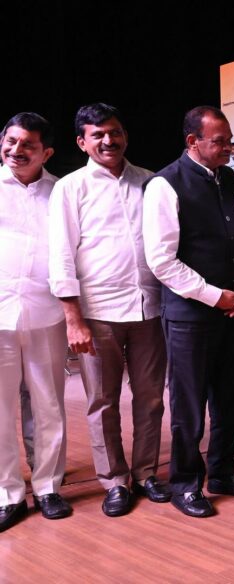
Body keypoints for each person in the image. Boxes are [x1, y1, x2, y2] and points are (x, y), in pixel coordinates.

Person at [143, 106, 234, 518]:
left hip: (231, 310)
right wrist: (215, 296)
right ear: (192, 142)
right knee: (189, 404)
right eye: (220, 141)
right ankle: (185, 484)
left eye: (230, 140)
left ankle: (223, 473)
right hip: (189, 316)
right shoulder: (165, 184)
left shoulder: (228, 179)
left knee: (230, 398)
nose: (229, 147)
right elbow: (161, 260)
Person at [48, 103, 169, 517]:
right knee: (102, 402)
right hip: (97, 312)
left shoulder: (150, 182)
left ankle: (146, 473)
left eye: (114, 132)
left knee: (151, 398)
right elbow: (61, 255)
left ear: (125, 136)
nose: (107, 140)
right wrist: (73, 318)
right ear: (81, 142)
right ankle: (115, 481)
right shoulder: (70, 188)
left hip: (149, 307)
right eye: (97, 134)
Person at [0, 112, 71, 532]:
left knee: (48, 405)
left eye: (28, 144)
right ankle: (8, 494)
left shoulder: (61, 192)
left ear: (46, 152)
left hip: (47, 312)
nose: (17, 150)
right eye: (11, 141)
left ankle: (48, 488)